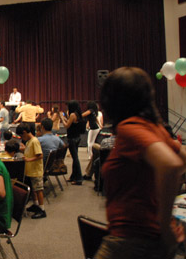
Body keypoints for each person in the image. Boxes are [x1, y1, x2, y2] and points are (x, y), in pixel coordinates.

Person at [94, 67, 186, 259]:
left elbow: (171, 165)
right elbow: (181, 158)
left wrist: (163, 221)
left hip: (131, 240)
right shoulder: (155, 128)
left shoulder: (130, 128)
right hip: (148, 239)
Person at [16, 124, 46, 219]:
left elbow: (40, 155)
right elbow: (29, 151)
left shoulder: (34, 141)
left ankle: (42, 209)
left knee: (38, 189)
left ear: (24, 132)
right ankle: (36, 204)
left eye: (21, 136)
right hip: (30, 170)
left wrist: (28, 160)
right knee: (33, 189)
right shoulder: (29, 142)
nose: (21, 138)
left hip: (36, 170)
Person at [60, 100, 84, 185]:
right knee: (75, 158)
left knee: (75, 158)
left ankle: (79, 178)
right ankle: (73, 176)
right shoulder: (77, 114)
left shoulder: (72, 114)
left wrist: (62, 119)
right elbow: (71, 123)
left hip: (72, 139)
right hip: (77, 137)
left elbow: (67, 126)